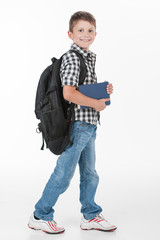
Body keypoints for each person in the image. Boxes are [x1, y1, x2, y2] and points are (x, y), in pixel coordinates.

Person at [28, 11, 117, 234]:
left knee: (89, 173)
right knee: (63, 174)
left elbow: (81, 89)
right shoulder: (72, 57)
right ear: (70, 33)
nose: (85, 34)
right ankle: (40, 214)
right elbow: (68, 93)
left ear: (95, 33)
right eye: (80, 30)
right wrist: (96, 104)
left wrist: (103, 93)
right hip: (77, 124)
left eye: (90, 30)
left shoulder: (87, 57)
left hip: (88, 125)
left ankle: (91, 215)